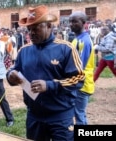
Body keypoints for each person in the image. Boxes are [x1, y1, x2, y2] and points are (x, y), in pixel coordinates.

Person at [6, 5, 85, 141]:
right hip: (34, 116)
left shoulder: (66, 49)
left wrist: (49, 85)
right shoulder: (24, 51)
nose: (31, 33)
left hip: (60, 116)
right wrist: (10, 75)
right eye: (29, 29)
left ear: (49, 26)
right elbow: (14, 70)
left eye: (36, 28)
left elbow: (79, 79)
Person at [69, 11, 95, 125]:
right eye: (70, 21)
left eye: (75, 21)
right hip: (80, 83)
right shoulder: (77, 39)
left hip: (81, 84)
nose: (71, 24)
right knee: (80, 114)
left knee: (79, 115)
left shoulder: (83, 41)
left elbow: (79, 66)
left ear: (84, 23)